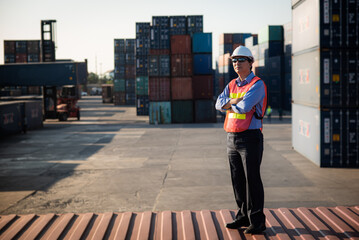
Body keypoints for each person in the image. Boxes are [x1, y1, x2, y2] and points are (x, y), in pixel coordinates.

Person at [215, 46, 267, 234]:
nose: (236, 63)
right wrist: (233, 103)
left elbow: (244, 107)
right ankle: (243, 217)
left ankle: (258, 221)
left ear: (251, 62)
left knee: (252, 179)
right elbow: (217, 103)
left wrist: (230, 104)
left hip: (250, 138)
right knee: (237, 180)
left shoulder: (257, 84)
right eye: (234, 60)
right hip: (232, 138)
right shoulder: (231, 84)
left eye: (241, 60)